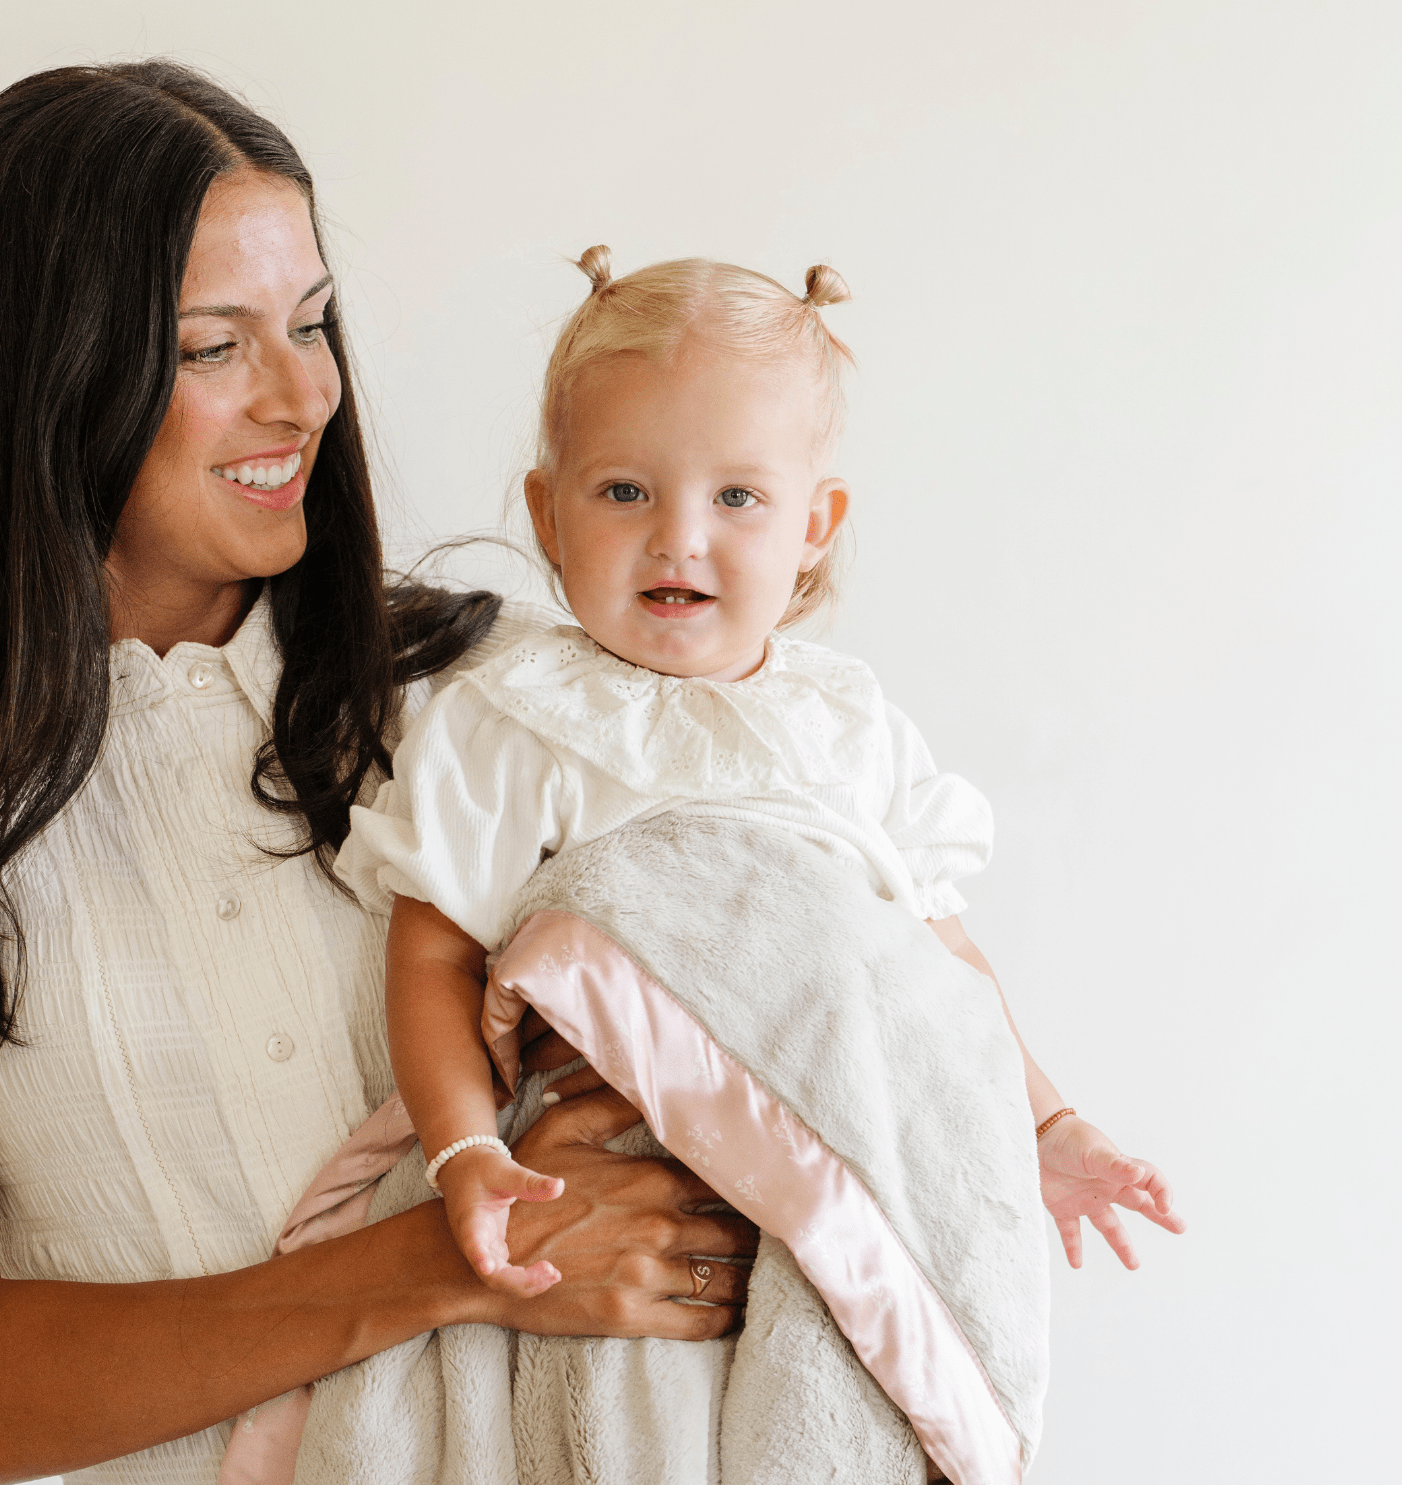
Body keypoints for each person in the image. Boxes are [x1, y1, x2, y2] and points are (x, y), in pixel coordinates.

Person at [0, 65, 756, 1485]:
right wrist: (457, 1258)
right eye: (212, 346)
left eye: (312, 325)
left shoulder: (509, 712)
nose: (306, 394)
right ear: (32, 370)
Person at [337, 248, 1187, 1297]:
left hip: (841, 1160)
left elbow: (935, 968)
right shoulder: (520, 721)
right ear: (549, 516)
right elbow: (432, 951)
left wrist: (1045, 1121)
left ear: (813, 529)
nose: (678, 539)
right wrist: (467, 1151)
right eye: (623, 490)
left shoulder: (848, 726)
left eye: (738, 495)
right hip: (608, 1184)